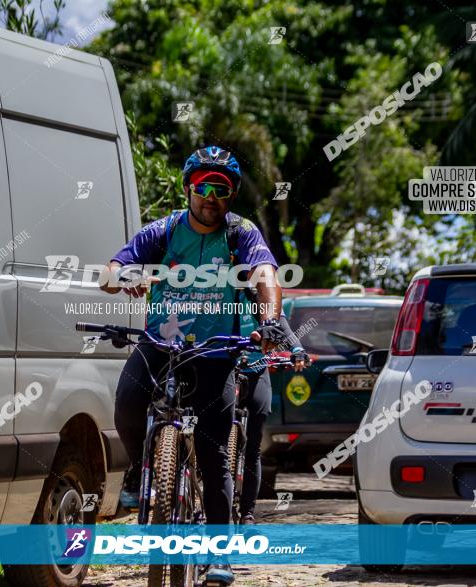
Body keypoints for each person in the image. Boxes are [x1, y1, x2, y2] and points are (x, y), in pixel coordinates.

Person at [100, 146, 286, 585]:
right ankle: (139, 469)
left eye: (221, 189)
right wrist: (124, 277)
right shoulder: (163, 231)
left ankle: (218, 553)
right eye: (203, 186)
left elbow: (266, 276)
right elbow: (110, 271)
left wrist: (271, 320)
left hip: (215, 353)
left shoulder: (241, 234)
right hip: (161, 345)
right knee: (127, 402)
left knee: (216, 454)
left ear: (231, 195)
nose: (211, 196)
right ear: (188, 189)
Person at [232, 314, 310, 525]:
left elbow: (282, 323)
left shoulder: (264, 294)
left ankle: (247, 512)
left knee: (253, 446)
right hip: (222, 371)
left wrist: (297, 349)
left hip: (256, 372)